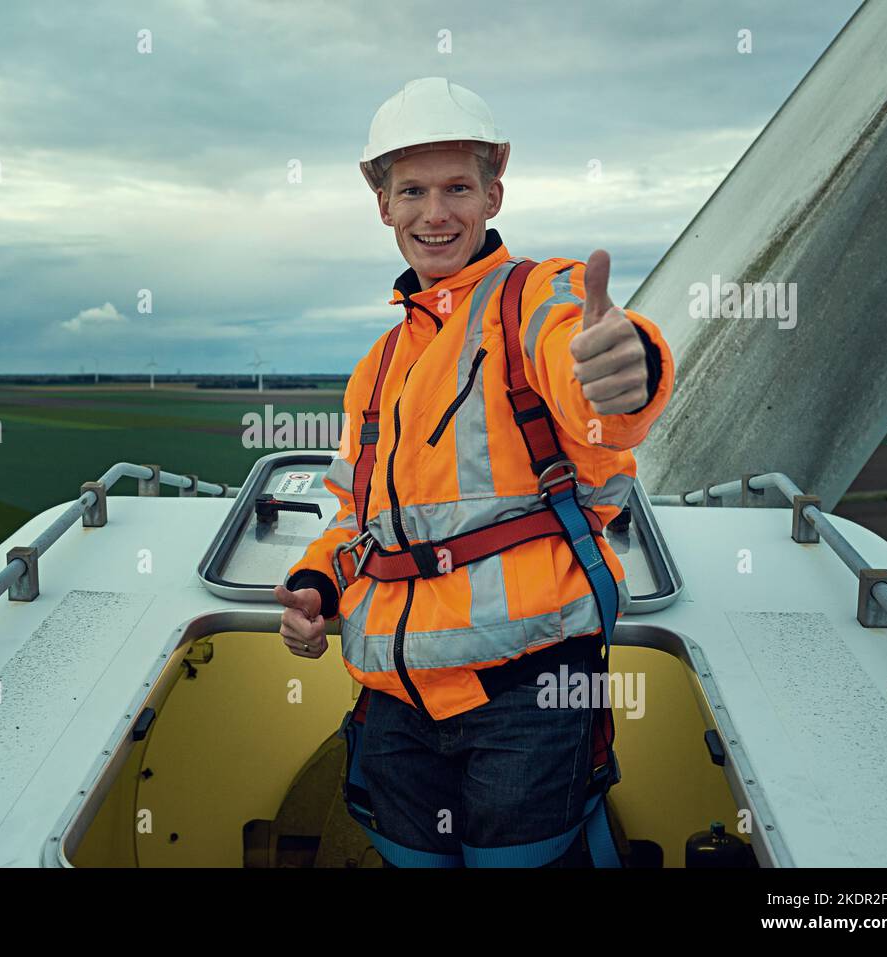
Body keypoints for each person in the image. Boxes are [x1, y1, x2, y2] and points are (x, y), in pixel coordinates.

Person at [273, 77, 675, 867]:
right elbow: (357, 518)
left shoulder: (532, 297)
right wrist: (317, 587)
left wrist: (625, 368)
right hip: (393, 702)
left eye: (458, 187)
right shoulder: (378, 367)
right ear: (382, 205)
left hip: (530, 694)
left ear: (494, 192)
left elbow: (589, 370)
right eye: (413, 190)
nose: (436, 213)